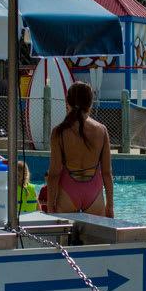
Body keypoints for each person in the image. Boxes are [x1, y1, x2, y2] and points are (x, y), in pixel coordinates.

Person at [40, 80, 113, 217]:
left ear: (68, 102)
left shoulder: (59, 132)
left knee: (64, 238)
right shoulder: (101, 130)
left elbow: (54, 173)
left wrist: (50, 206)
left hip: (68, 193)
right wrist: (110, 206)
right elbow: (107, 173)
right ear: (90, 104)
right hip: (94, 193)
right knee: (95, 238)